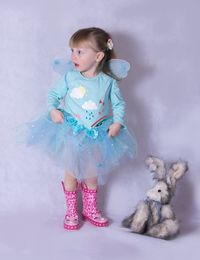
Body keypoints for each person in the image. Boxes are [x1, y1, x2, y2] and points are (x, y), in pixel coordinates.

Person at [25, 27, 137, 230]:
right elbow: (52, 95)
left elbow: (119, 104)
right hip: (71, 132)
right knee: (71, 172)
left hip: (97, 133)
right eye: (72, 50)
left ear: (98, 56)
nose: (73, 56)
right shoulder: (70, 77)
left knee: (91, 172)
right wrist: (53, 110)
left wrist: (117, 122)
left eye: (79, 51)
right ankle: (71, 211)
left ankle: (90, 209)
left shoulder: (108, 82)